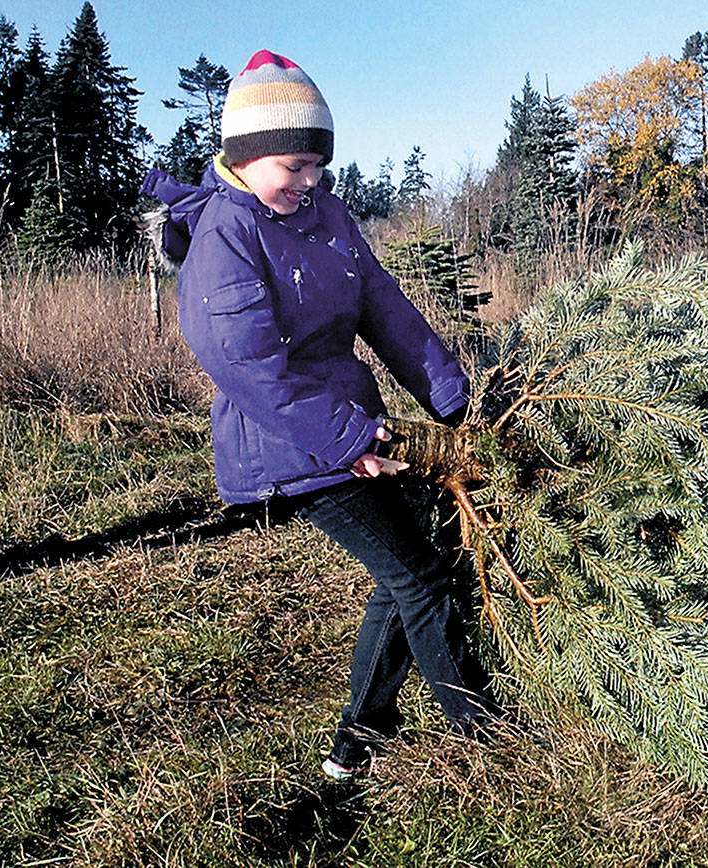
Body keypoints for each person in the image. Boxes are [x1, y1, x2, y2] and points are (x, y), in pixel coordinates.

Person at [140, 50, 497, 781]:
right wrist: (346, 439)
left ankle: (356, 745)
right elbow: (248, 367)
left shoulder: (325, 212)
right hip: (287, 446)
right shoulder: (223, 236)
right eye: (291, 167)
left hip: (343, 428)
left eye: (316, 165)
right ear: (245, 157)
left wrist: (452, 396)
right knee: (421, 576)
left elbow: (383, 307)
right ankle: (485, 736)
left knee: (403, 576)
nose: (306, 183)